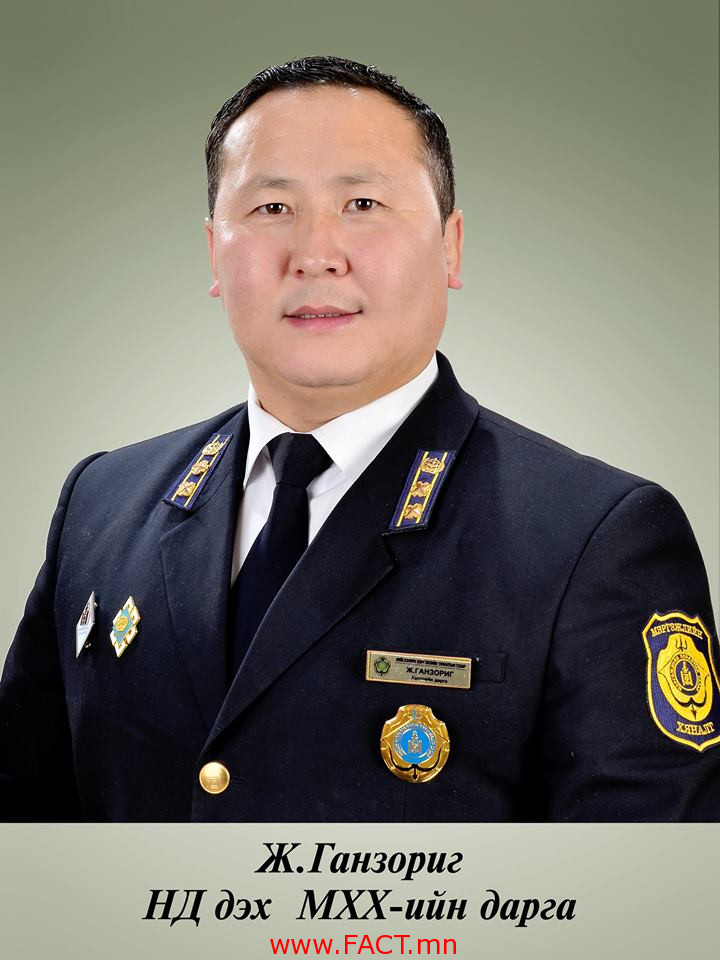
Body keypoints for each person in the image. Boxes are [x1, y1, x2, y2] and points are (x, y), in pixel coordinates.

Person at [1, 56, 718, 822]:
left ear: (451, 245)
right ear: (213, 252)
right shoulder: (102, 505)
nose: (316, 253)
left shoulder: (595, 538)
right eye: (272, 207)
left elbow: (640, 881)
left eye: (363, 203)